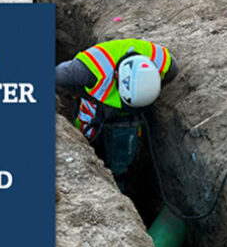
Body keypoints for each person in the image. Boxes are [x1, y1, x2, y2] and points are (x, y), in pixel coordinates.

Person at [55, 38, 178, 177]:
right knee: (90, 139)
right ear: (117, 76)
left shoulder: (166, 65)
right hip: (95, 110)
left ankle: (122, 173)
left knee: (124, 147)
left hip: (126, 122)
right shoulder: (84, 72)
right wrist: (90, 97)